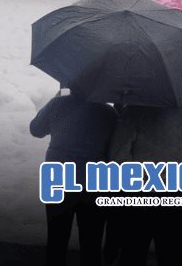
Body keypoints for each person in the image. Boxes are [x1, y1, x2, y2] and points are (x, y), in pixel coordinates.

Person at [108, 100, 182, 266]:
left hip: (140, 196)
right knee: (174, 256)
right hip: (180, 196)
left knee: (133, 254)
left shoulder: (136, 109)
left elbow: (118, 156)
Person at [30, 89, 118, 266]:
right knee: (91, 243)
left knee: (56, 239)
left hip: (58, 179)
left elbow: (36, 130)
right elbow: (115, 149)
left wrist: (55, 99)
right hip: (93, 183)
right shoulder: (108, 113)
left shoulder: (57, 105)